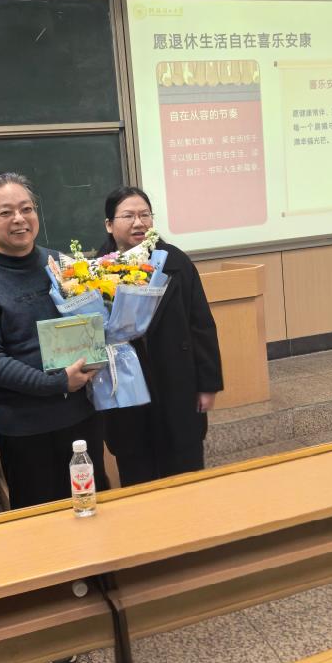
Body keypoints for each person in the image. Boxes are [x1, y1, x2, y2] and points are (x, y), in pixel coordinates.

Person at [0, 172, 109, 511]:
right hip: (27, 430)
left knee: (93, 509)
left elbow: (90, 324)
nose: (20, 219)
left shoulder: (63, 266)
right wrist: (57, 382)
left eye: (27, 208)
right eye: (6, 212)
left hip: (82, 417)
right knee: (42, 522)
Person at [98, 187, 223, 486]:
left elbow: (201, 325)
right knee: (137, 470)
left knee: (186, 473)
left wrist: (207, 385)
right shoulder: (95, 271)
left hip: (176, 381)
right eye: (128, 216)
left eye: (145, 215)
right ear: (109, 224)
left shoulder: (176, 261)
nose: (138, 223)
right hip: (126, 387)